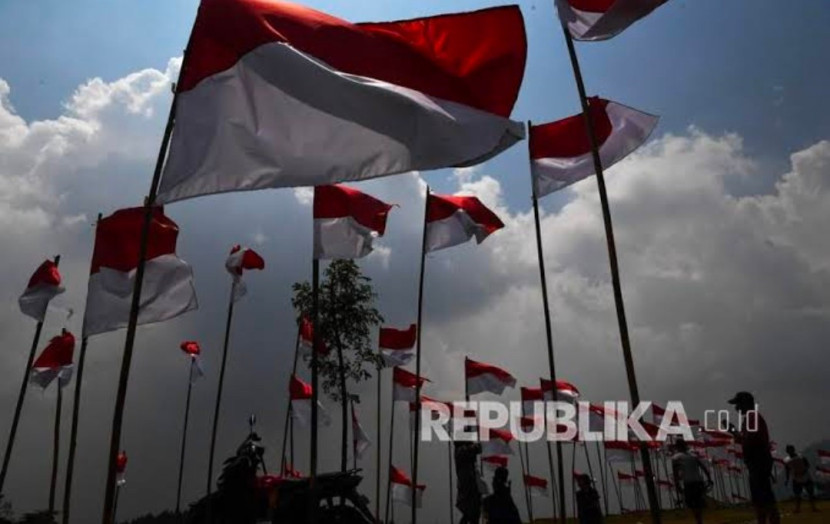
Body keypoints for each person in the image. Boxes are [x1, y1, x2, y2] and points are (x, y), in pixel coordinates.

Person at [728, 391, 780, 524]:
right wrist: (734, 432)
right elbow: (746, 439)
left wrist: (735, 433)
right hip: (757, 462)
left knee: (764, 498)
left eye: (738, 404)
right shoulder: (751, 418)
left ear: (745, 404)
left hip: (758, 461)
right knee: (760, 498)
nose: (736, 408)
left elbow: (750, 440)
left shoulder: (753, 418)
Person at [671, 437, 713, 524]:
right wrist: (709, 478)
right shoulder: (693, 456)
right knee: (697, 503)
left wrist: (677, 484)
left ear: (677, 446)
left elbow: (675, 473)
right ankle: (699, 521)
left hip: (689, 483)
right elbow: (703, 468)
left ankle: (699, 521)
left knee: (692, 504)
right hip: (698, 482)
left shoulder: (675, 458)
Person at [784, 444, 819, 513]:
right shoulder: (787, 460)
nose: (790, 451)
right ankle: (798, 509)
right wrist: (787, 479)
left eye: (790, 450)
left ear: (793, 450)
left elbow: (807, 465)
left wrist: (803, 471)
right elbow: (787, 470)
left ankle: (813, 507)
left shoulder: (801, 457)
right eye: (788, 450)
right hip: (796, 478)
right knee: (797, 495)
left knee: (810, 493)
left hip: (805, 476)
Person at [455, 440, 482, 524]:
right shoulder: (461, 451)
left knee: (473, 514)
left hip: (471, 487)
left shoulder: (464, 450)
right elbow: (476, 449)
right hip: (467, 488)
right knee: (470, 513)